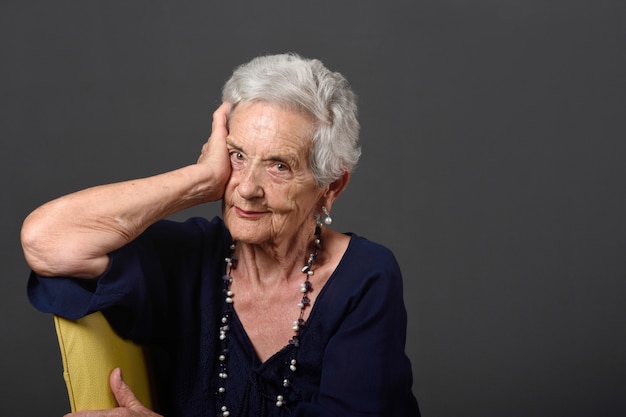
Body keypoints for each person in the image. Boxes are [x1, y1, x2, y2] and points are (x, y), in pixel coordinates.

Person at [22, 53, 420, 417]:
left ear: (331, 187)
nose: (247, 188)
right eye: (238, 156)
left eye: (279, 166)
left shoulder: (366, 278)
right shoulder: (191, 259)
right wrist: (200, 181)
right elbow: (46, 241)